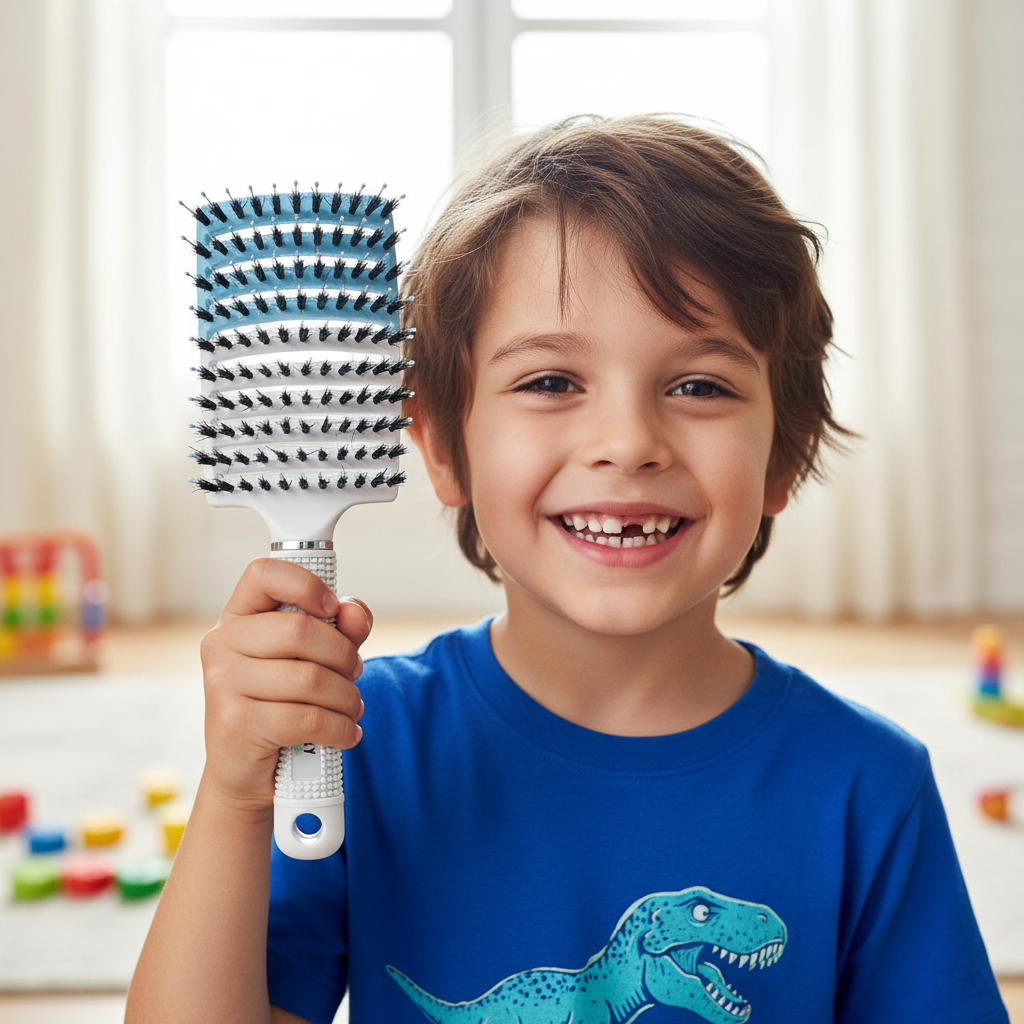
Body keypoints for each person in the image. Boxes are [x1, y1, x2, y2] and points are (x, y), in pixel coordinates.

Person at [126, 115, 1008, 1024]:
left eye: (699, 386)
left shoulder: (867, 785)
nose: (627, 443)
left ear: (784, 457)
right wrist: (235, 791)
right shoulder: (355, 745)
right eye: (550, 382)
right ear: (440, 447)